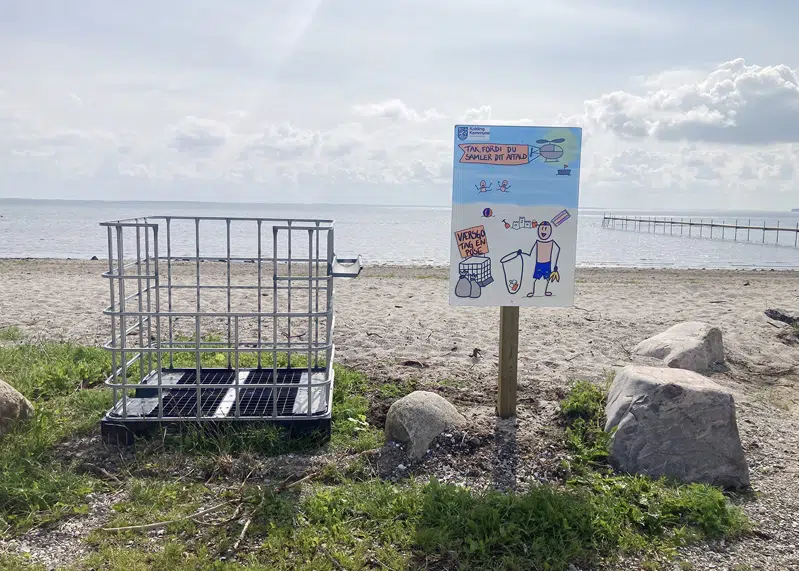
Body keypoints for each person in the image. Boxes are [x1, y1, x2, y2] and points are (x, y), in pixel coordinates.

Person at [525, 221, 560, 297]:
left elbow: (558, 249)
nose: (543, 231)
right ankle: (533, 292)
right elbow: (530, 253)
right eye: (542, 229)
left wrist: (555, 266)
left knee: (547, 279)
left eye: (546, 229)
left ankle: (545, 291)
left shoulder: (551, 242)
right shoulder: (537, 242)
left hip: (547, 263)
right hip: (539, 263)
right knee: (535, 279)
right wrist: (523, 253)